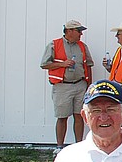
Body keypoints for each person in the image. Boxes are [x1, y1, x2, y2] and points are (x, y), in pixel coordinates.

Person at [40, 20, 94, 152]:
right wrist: (62, 64)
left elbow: (88, 65)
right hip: (62, 86)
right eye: (78, 31)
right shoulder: (54, 44)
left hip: (80, 85)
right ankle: (59, 146)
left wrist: (89, 85)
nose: (81, 34)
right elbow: (44, 64)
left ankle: (79, 146)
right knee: (62, 116)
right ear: (69, 31)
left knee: (79, 115)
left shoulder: (82, 46)